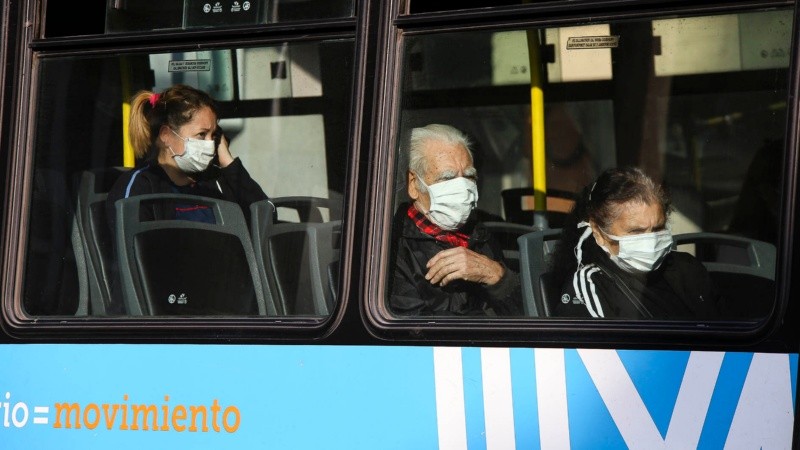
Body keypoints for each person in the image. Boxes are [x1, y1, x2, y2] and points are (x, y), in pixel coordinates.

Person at [549, 167, 722, 319]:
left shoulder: (688, 269)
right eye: (636, 232)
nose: (650, 241)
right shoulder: (591, 286)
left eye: (658, 228)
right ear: (598, 232)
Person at [388, 124, 521, 316]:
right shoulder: (391, 248)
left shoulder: (480, 235)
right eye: (447, 178)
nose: (462, 187)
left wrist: (497, 276)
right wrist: (489, 319)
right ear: (414, 185)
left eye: (468, 176)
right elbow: (413, 333)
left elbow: (525, 314)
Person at [106, 84, 268, 233]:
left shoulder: (216, 181)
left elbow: (266, 221)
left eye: (214, 135)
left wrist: (227, 162)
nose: (210, 144)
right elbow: (136, 252)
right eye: (201, 135)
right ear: (166, 135)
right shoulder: (139, 187)